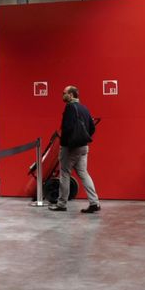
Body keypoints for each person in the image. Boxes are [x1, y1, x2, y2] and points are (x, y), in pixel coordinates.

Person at [49, 85, 100, 213]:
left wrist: (65, 143)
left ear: (71, 95)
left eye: (64, 93)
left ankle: (61, 204)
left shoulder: (70, 108)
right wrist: (82, 138)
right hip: (83, 147)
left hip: (70, 148)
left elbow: (67, 128)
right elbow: (92, 128)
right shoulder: (84, 108)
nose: (62, 95)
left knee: (65, 173)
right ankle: (94, 202)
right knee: (83, 173)